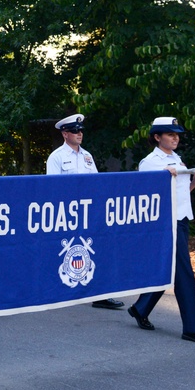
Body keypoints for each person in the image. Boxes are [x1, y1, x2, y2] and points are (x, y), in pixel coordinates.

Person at [128, 117, 195, 344]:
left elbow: (180, 192)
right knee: (183, 272)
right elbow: (146, 198)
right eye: (170, 134)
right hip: (166, 223)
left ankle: (141, 308)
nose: (175, 138)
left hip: (181, 218)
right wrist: (162, 177)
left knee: (169, 268)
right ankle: (193, 327)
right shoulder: (150, 162)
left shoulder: (176, 158)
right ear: (157, 137)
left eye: (177, 134)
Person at [45, 114, 124, 311]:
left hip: (88, 212)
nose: (79, 134)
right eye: (74, 131)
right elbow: (52, 188)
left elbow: (96, 184)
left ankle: (100, 294)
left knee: (96, 251)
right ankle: (52, 291)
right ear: (65, 134)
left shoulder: (87, 156)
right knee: (59, 251)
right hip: (66, 213)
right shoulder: (57, 157)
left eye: (81, 130)